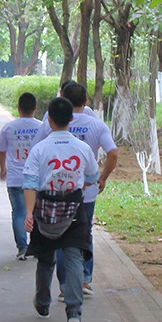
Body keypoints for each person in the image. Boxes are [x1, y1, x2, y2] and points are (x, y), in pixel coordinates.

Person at [23, 96, 98, 322]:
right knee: (74, 257)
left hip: (45, 208)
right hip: (74, 209)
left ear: (50, 120)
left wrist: (28, 213)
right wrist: (81, 182)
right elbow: (93, 176)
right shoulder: (83, 148)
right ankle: (74, 312)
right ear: (71, 119)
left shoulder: (39, 149)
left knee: (46, 258)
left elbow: (30, 183)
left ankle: (43, 302)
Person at [53, 82, 118, 298]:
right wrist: (102, 177)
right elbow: (113, 153)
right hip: (87, 192)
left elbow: (38, 150)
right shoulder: (97, 125)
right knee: (85, 232)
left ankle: (65, 285)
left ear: (63, 98)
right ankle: (84, 279)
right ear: (86, 101)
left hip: (59, 189)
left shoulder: (53, 122)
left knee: (61, 234)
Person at [0, 92, 41, 260]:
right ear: (35, 108)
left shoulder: (8, 128)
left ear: (18, 108)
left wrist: (3, 168)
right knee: (37, 212)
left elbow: (2, 151)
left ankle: (22, 247)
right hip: (37, 178)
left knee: (19, 212)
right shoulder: (42, 127)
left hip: (15, 177)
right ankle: (36, 245)